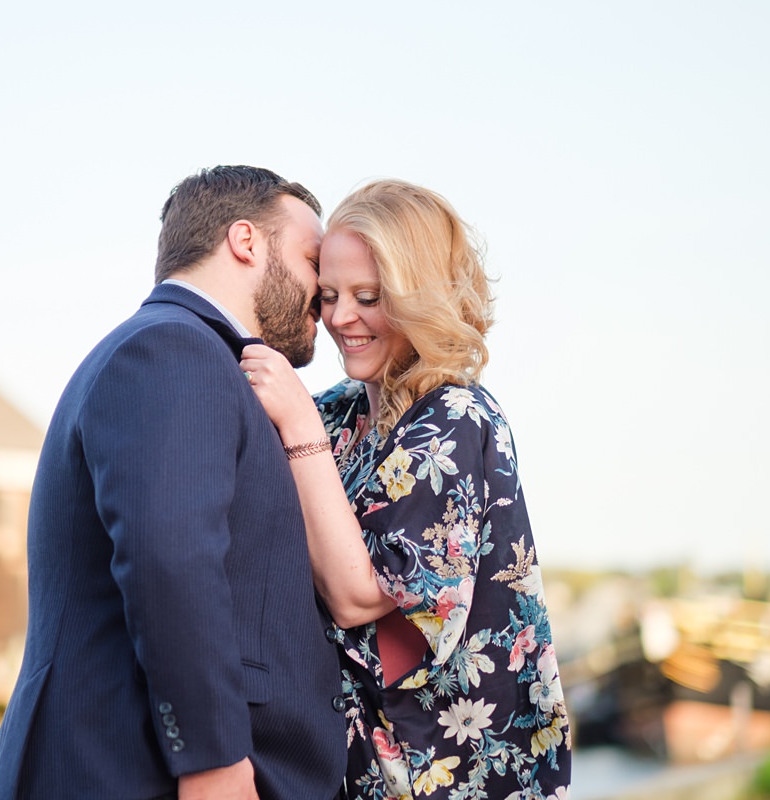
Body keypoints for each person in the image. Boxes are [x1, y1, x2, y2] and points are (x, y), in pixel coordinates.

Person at [0, 166, 347, 800]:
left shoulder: (185, 355)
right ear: (246, 241)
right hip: (149, 775)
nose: (326, 287)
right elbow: (168, 554)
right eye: (313, 257)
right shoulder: (172, 352)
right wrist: (212, 760)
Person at [240, 179, 572, 799]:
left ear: (419, 298)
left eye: (368, 296)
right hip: (346, 767)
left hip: (447, 774)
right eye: (329, 295)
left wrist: (299, 427)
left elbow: (358, 597)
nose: (340, 319)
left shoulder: (456, 418)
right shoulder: (337, 414)